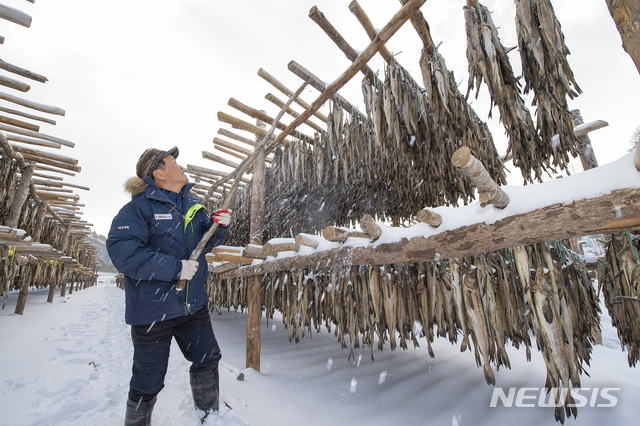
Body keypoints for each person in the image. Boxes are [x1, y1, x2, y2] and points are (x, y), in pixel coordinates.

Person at [107, 146, 231, 425]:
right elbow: (124, 254)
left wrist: (218, 227)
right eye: (174, 162)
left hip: (192, 305)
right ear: (159, 173)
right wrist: (175, 268)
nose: (181, 165)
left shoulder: (191, 204)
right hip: (153, 309)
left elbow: (203, 245)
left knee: (207, 359)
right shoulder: (137, 209)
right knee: (147, 380)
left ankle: (209, 418)